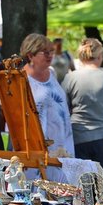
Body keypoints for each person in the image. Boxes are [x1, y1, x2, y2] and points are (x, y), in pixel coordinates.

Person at [60, 38, 103, 190]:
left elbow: (63, 112)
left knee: (80, 187)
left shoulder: (70, 78)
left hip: (78, 137)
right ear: (99, 56)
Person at [21, 33, 74, 161]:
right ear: (30, 55)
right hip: (36, 147)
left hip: (62, 141)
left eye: (51, 51)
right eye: (45, 52)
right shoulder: (21, 79)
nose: (50, 55)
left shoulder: (51, 73)